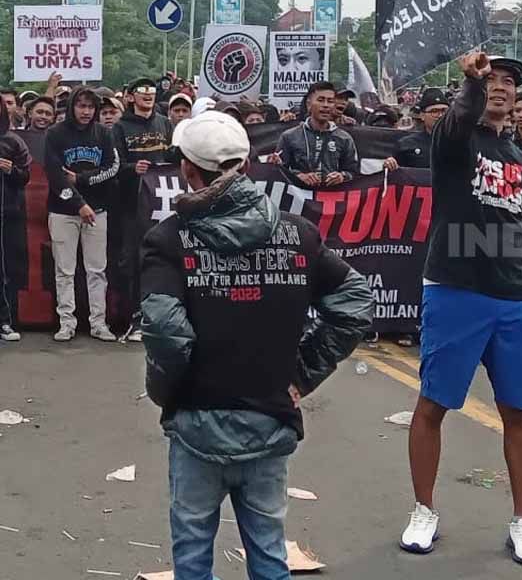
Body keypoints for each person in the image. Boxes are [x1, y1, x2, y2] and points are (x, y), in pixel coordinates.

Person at [140, 110, 374, 580]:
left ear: (188, 169)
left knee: (192, 551)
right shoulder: (297, 233)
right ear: (244, 166)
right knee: (268, 551)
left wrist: (168, 393)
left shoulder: (168, 239)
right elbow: (355, 304)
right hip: (271, 418)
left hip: (196, 423)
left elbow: (166, 331)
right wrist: (301, 376)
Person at [403, 53, 522, 566]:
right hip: (455, 290)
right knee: (434, 404)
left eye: (508, 82)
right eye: (491, 80)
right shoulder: (454, 144)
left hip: (515, 298)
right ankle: (423, 509)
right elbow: (457, 118)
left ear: (519, 99)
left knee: (518, 411)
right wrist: (470, 82)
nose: (500, 88)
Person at [44, 87, 119, 342]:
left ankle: (99, 323)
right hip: (62, 210)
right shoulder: (55, 134)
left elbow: (112, 168)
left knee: (97, 269)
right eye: (81, 106)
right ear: (72, 106)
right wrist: (79, 204)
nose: (86, 112)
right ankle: (67, 323)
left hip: (98, 210)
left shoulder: (104, 134)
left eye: (90, 107)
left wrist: (83, 180)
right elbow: (54, 175)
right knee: (64, 270)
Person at [113, 78, 176, 341]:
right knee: (133, 261)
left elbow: (174, 157)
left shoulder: (164, 122)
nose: (148, 95)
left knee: (165, 260)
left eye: (151, 91)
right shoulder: (119, 127)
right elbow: (113, 164)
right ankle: (136, 318)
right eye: (142, 91)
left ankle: (166, 316)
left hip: (163, 205)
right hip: (131, 204)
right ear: (130, 97)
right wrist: (131, 169)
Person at [276, 82, 360, 187]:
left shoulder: (344, 138)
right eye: (320, 100)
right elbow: (278, 172)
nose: (325, 105)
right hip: (300, 199)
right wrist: (299, 176)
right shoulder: (289, 136)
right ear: (309, 104)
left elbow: (355, 173)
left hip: (331, 199)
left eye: (330, 101)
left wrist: (342, 176)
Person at [0, 97, 31, 342]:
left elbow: (25, 177)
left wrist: (11, 170)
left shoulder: (13, 141)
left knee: (6, 269)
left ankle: (5, 321)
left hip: (8, 214)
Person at [384, 89, 449, 171]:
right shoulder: (407, 145)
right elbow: (393, 175)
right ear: (422, 116)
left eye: (444, 111)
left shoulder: (463, 143)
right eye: (434, 111)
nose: (440, 115)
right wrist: (390, 164)